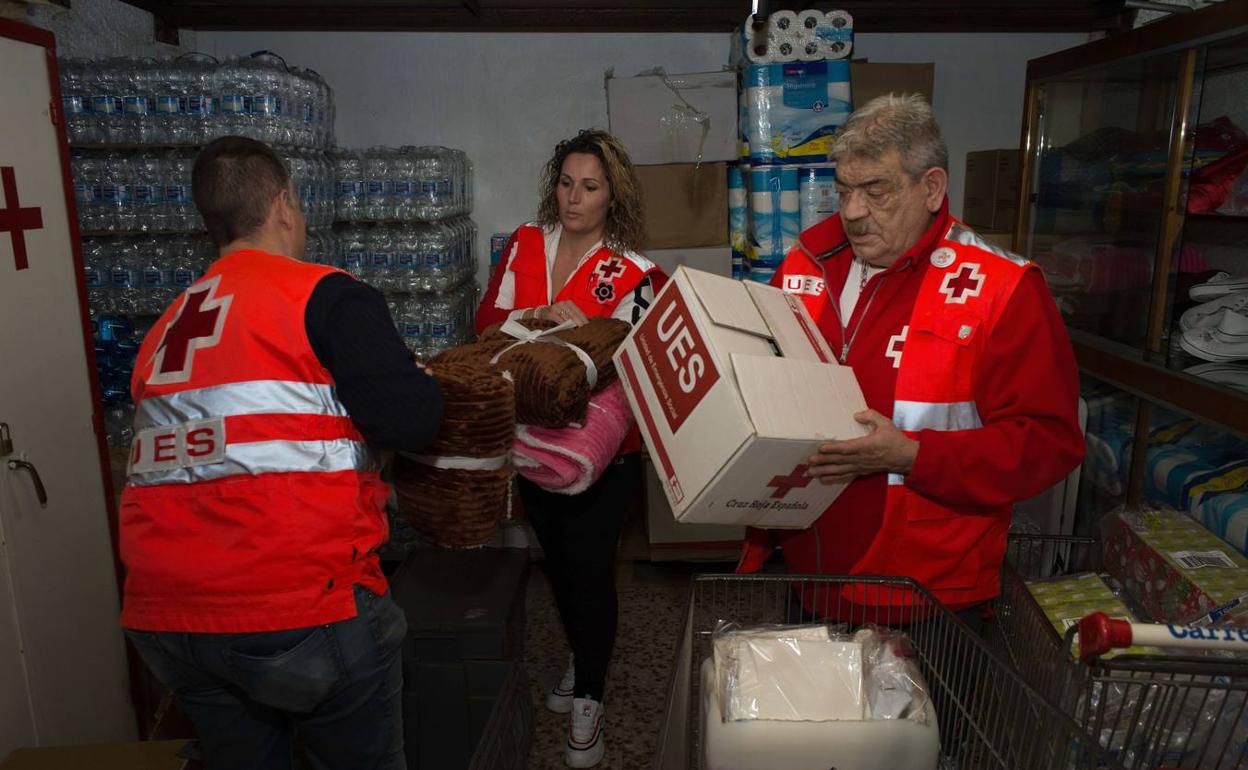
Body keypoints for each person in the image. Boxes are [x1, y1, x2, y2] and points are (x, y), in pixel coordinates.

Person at [118, 136, 444, 770]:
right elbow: (412, 420)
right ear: (285, 204)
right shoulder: (323, 297)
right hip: (297, 607)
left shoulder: (166, 326)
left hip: (169, 619)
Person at [738, 94, 1086, 625]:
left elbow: (1049, 442)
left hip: (927, 593)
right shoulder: (809, 258)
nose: (852, 212)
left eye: (876, 190)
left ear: (931, 188)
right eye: (844, 190)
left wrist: (912, 456)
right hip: (811, 569)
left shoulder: (1003, 287)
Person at [476, 129, 664, 768]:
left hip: (603, 452)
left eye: (589, 187)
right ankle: (583, 656)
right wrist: (534, 321)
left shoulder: (636, 272)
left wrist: (578, 328)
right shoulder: (527, 243)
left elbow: (639, 360)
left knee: (590, 573)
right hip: (530, 438)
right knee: (555, 562)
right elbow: (485, 322)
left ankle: (590, 695)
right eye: (565, 183)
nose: (573, 199)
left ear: (614, 195)